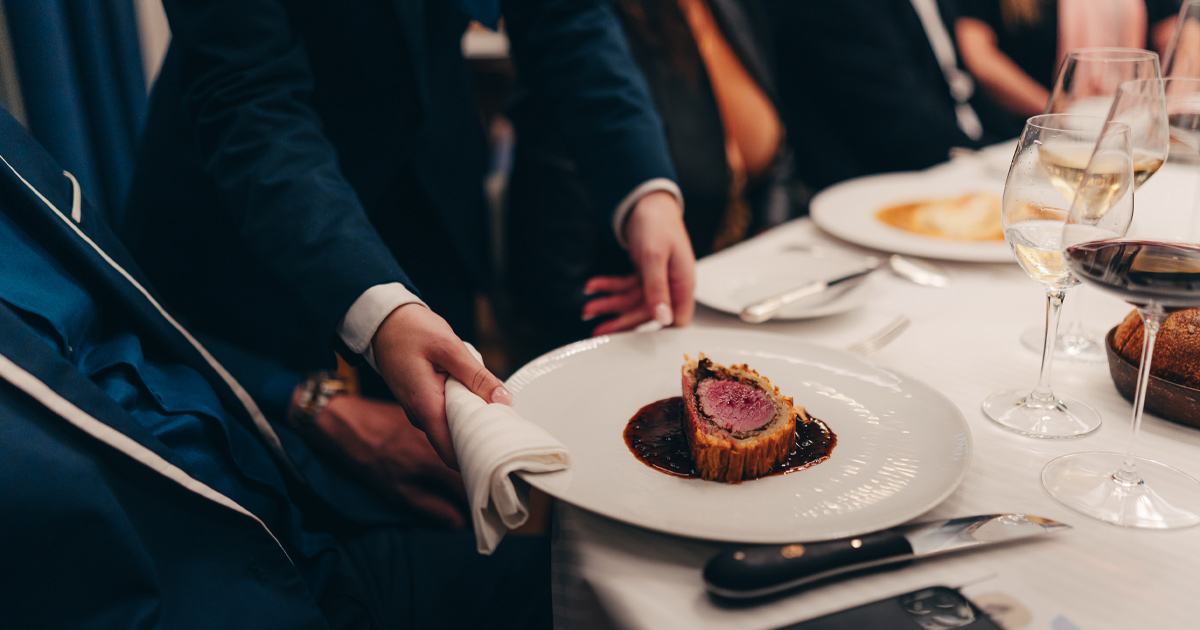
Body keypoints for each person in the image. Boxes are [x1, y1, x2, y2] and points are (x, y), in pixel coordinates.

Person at [0, 107, 549, 628]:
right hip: (222, 600)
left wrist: (317, 403)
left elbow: (154, 330)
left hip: (308, 530)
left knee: (574, 577)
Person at [120, 0, 696, 465]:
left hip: (428, 192)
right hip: (245, 223)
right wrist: (379, 311)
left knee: (451, 486)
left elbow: (566, 19)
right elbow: (248, 96)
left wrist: (645, 191)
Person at [506, 0, 792, 357]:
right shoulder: (592, 46)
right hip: (641, 340)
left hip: (746, 308)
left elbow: (781, 152)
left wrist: (768, 249)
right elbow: (554, 296)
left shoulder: (732, 9)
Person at [762, 0, 1018, 193]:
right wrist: (1003, 160)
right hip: (881, 188)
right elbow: (901, 123)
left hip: (956, 167)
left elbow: (959, 85)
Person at [956, 0, 1181, 127]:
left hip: (1130, 126)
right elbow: (980, 57)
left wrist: (1158, 109)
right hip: (1028, 136)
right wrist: (1058, 111)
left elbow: (1175, 37)